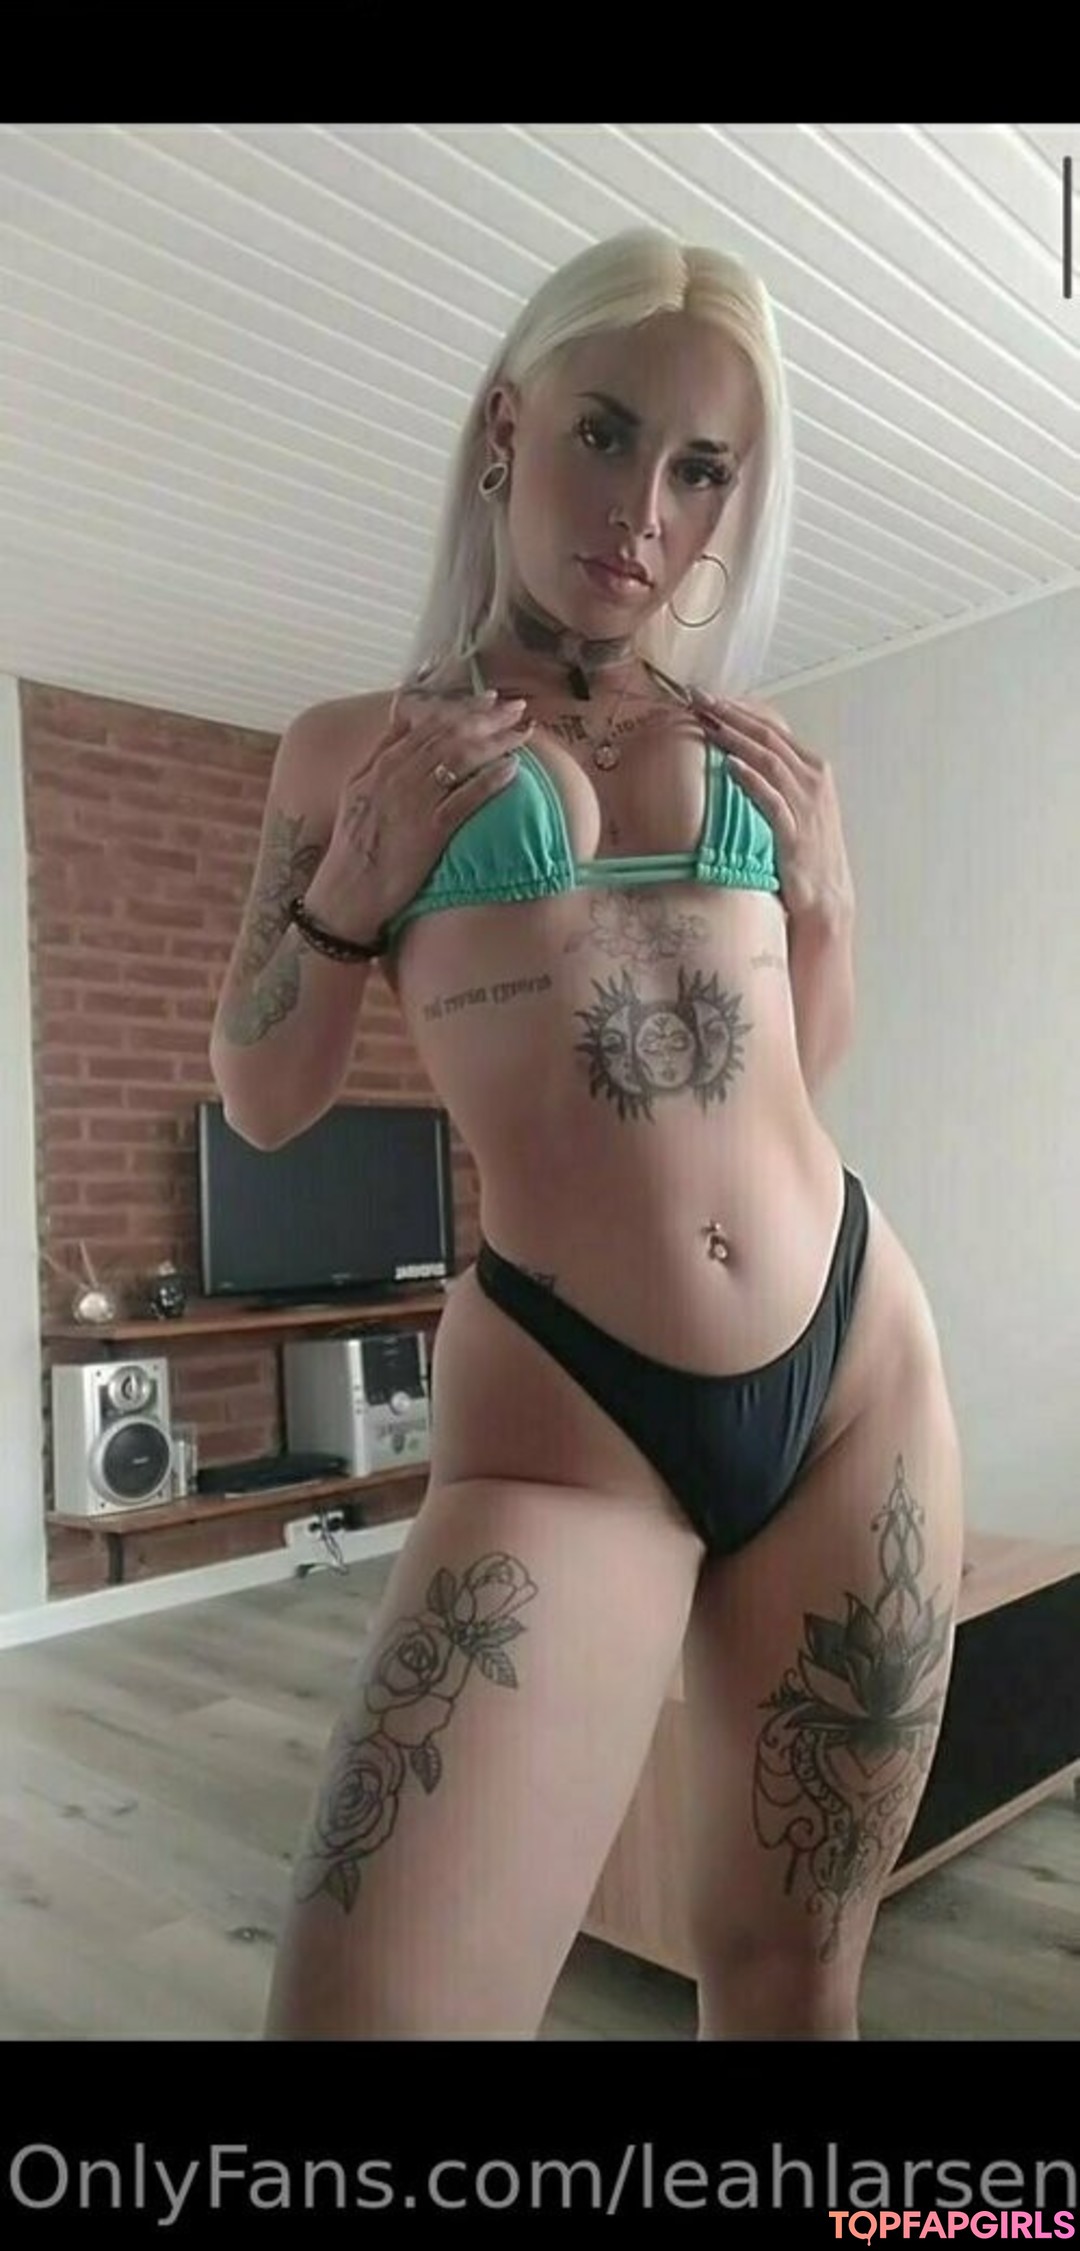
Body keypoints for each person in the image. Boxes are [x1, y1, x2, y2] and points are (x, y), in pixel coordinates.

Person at [209, 229, 964, 2040]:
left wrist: (831, 907)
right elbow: (264, 1099)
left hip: (854, 1370)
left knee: (793, 1982)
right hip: (570, 1422)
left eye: (703, 469)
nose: (646, 510)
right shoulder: (347, 753)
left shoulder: (749, 742)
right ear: (505, 430)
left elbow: (797, 1076)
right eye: (607, 434)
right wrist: (347, 896)